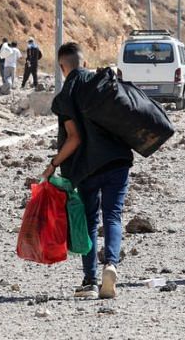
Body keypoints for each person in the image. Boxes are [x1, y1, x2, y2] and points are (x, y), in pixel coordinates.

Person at [44, 42, 134, 299]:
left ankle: (90, 281)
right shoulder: (102, 83)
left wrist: (52, 165)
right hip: (117, 161)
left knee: (90, 222)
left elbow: (73, 139)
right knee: (113, 216)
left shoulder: (65, 97)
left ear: (63, 67)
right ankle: (111, 265)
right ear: (83, 63)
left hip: (85, 168)